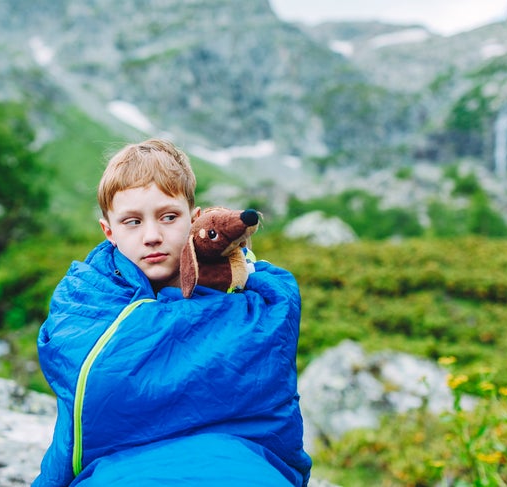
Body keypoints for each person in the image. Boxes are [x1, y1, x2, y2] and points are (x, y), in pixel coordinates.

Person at [31, 138, 312, 486]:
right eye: (132, 221)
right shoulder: (86, 297)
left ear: (194, 219)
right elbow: (79, 417)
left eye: (168, 217)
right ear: (109, 232)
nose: (151, 235)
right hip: (123, 469)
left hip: (238, 462)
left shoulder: (253, 293)